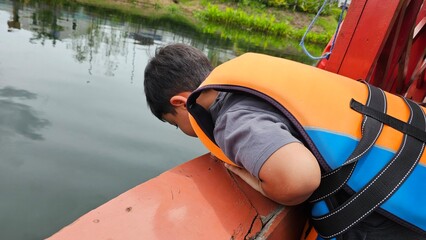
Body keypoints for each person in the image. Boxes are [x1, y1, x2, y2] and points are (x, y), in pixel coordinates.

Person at [143, 43, 426, 240]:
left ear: (180, 103)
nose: (181, 129)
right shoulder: (257, 82)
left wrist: (246, 175)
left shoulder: (231, 118)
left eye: (174, 123)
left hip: (397, 223)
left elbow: (298, 179)